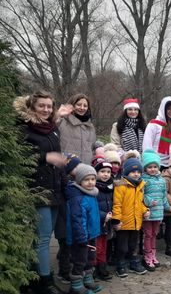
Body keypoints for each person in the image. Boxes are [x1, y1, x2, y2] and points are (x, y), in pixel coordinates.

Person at [14, 91, 66, 294]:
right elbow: (21, 158)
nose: (46, 109)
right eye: (41, 106)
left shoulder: (53, 129)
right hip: (37, 190)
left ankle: (33, 276)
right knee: (43, 238)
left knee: (43, 237)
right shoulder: (25, 129)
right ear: (32, 107)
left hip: (55, 188)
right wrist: (46, 157)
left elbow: (57, 157)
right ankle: (45, 282)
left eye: (49, 106)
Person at [65, 164, 101, 293]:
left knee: (90, 258)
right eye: (86, 180)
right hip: (80, 237)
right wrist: (81, 237)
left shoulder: (91, 193)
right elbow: (78, 219)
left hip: (90, 234)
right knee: (80, 260)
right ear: (79, 181)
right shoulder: (78, 197)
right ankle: (76, 286)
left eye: (93, 179)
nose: (90, 182)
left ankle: (87, 280)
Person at [111, 157, 149, 278]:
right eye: (133, 172)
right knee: (122, 246)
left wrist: (145, 210)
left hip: (136, 222)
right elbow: (117, 204)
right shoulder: (121, 186)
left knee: (134, 245)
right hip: (123, 223)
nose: (136, 174)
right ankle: (120, 264)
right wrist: (116, 220)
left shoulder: (140, 186)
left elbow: (140, 203)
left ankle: (134, 263)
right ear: (126, 172)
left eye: (138, 172)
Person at [141, 149, 170, 271]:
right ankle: (147, 256)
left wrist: (167, 206)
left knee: (154, 234)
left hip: (158, 213)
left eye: (155, 167)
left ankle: (153, 254)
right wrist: (148, 201)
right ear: (145, 168)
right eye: (149, 167)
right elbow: (140, 195)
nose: (153, 169)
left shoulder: (161, 180)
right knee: (147, 234)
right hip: (148, 212)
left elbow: (164, 195)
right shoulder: (144, 180)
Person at [142, 96, 171, 168]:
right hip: (155, 165)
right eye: (169, 109)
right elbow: (147, 146)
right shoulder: (153, 125)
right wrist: (149, 164)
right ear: (163, 109)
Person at [57, 93, 96, 164]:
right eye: (78, 104)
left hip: (86, 168)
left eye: (85, 106)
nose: (82, 108)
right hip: (66, 166)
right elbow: (48, 127)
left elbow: (92, 148)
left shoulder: (90, 126)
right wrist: (57, 115)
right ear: (72, 105)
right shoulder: (62, 121)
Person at [93, 160, 115, 281]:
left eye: (108, 172)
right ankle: (94, 269)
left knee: (104, 246)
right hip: (97, 223)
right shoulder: (93, 187)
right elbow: (92, 207)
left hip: (107, 223)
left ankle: (102, 268)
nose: (106, 174)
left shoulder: (111, 187)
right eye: (102, 171)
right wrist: (103, 215)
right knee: (97, 247)